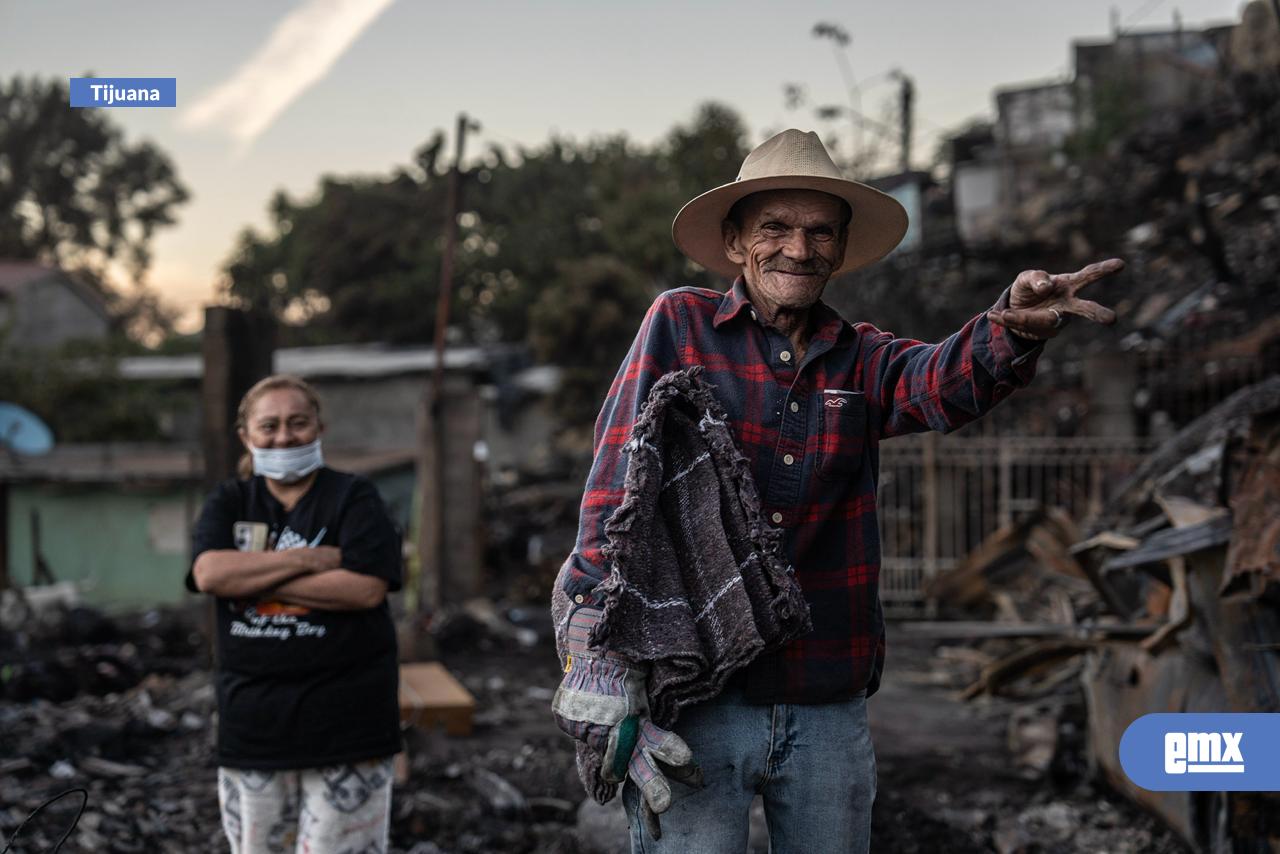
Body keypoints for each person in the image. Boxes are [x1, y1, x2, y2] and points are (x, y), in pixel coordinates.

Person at [551, 129, 1123, 853]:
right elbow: (619, 478)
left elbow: (941, 381)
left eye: (821, 231)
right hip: (698, 696)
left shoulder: (863, 357)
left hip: (826, 698)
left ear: (841, 249)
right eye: (776, 229)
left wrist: (1010, 326)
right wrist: (596, 641)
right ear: (735, 242)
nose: (799, 247)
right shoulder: (680, 324)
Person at [188, 374, 403, 854]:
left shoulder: (355, 498)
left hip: (348, 728)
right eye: (269, 426)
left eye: (297, 423)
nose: (284, 437)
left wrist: (253, 574)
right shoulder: (230, 500)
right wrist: (309, 558)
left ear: (319, 427)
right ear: (246, 436)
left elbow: (364, 588)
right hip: (253, 730)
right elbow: (209, 574)